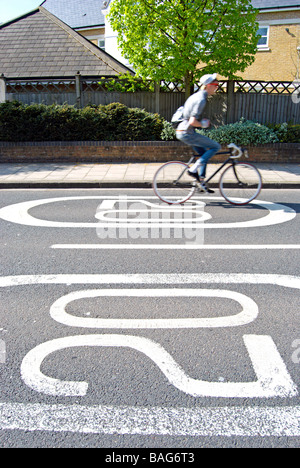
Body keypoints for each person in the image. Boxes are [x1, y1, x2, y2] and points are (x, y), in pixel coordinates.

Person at [176, 73, 221, 193]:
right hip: (187, 132)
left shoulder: (195, 96)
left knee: (204, 154)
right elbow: (192, 121)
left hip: (182, 130)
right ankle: (193, 169)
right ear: (207, 85)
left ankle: (201, 182)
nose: (217, 87)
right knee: (216, 146)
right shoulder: (201, 99)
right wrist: (203, 124)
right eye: (215, 85)